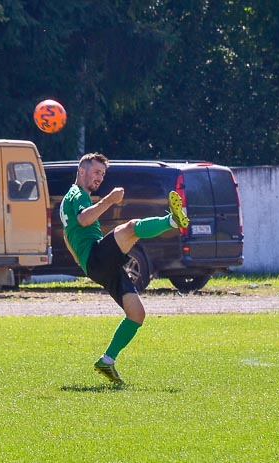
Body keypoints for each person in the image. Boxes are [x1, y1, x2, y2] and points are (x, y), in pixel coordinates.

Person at [59, 152, 190, 384]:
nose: (99, 177)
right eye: (96, 172)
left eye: (102, 174)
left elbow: (69, 237)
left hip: (96, 263)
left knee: (137, 314)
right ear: (82, 170)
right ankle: (172, 220)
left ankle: (107, 360)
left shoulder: (69, 199)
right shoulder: (77, 193)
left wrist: (83, 263)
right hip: (96, 256)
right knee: (130, 228)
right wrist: (109, 200)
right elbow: (83, 220)